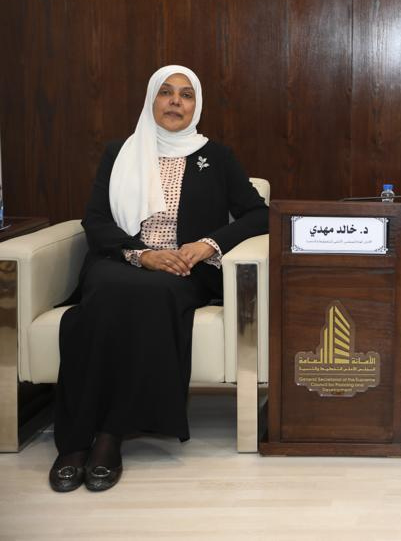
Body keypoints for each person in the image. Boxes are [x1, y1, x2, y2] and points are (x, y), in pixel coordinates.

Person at [49, 65, 268, 492]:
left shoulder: (216, 157)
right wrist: (142, 254)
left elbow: (258, 214)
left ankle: (110, 435)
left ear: (196, 106)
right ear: (152, 100)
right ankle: (74, 442)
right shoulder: (120, 152)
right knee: (105, 296)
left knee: (151, 297)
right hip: (122, 259)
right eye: (166, 92)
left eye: (186, 95)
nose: (175, 102)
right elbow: (95, 219)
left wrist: (208, 244)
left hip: (183, 269)